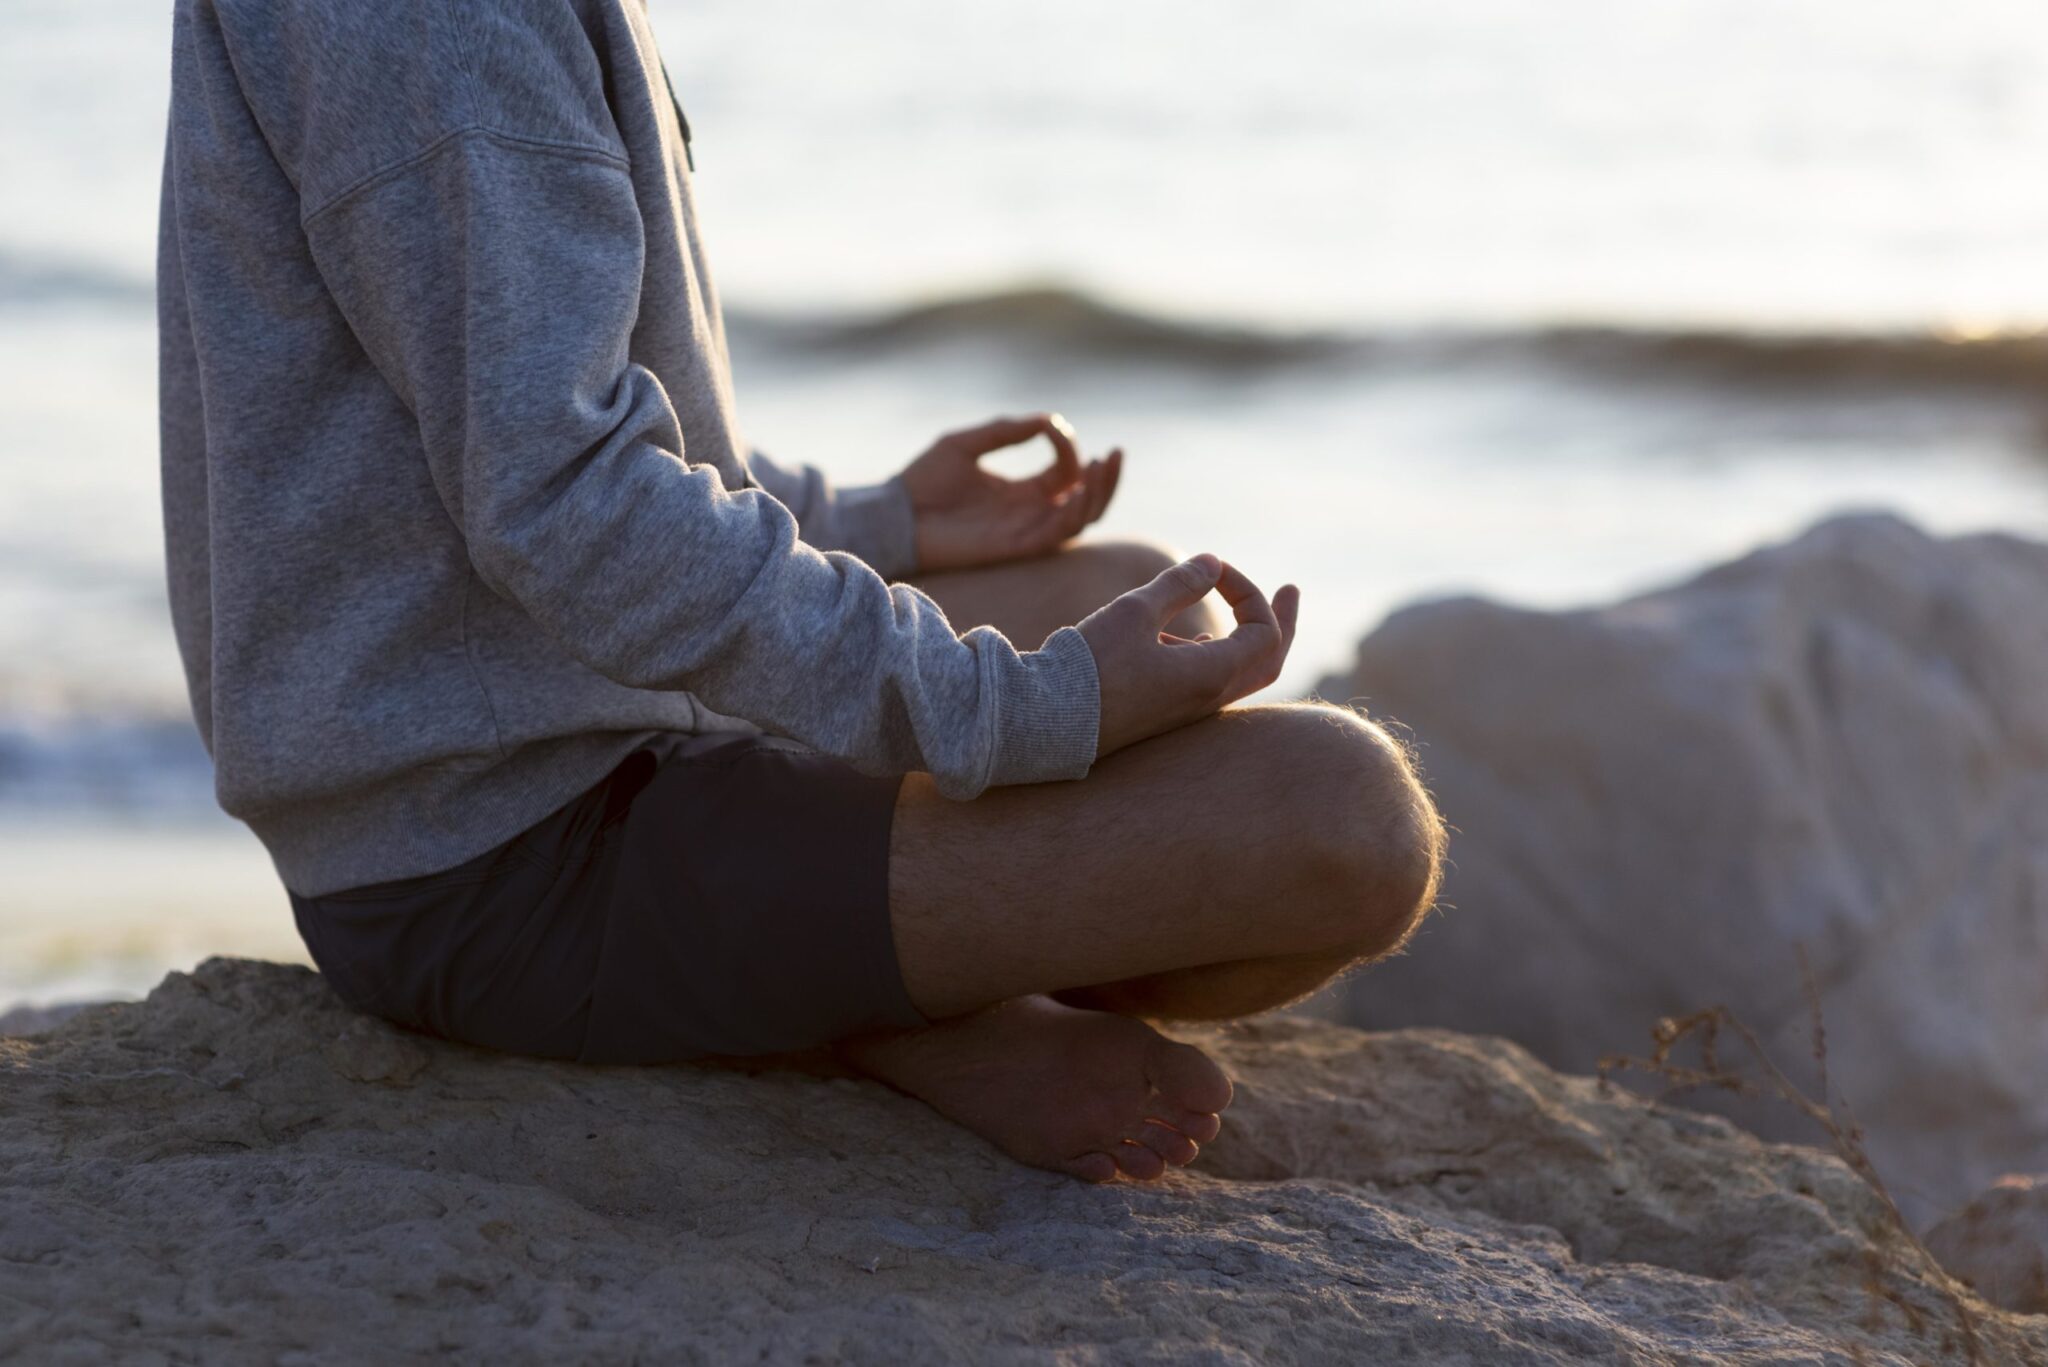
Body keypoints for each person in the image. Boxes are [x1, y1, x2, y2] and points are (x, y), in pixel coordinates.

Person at [159, 0, 1445, 1184]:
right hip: (493, 843)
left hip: (589, 708)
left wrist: (875, 520)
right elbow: (563, 499)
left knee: (1142, 598)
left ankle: (846, 974)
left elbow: (535, 416)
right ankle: (879, 1016)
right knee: (1345, 822)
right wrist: (1006, 709)